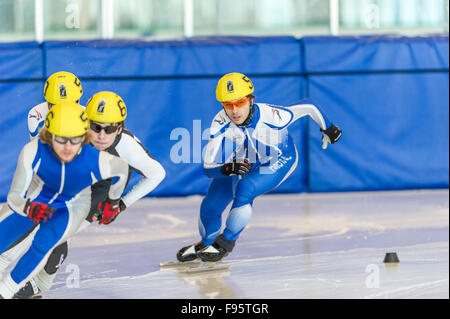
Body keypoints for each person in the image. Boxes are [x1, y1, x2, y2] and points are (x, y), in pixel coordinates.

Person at [12, 91, 166, 298]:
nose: (101, 135)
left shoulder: (127, 147)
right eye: (96, 127)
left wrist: (121, 204)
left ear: (120, 128)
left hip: (102, 191)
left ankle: (40, 282)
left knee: (54, 231)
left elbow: (157, 174)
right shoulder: (76, 126)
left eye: (110, 129)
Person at [177, 72, 342, 263]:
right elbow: (208, 168)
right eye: (228, 105)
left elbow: (308, 106)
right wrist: (228, 169)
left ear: (251, 100)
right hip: (245, 159)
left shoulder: (273, 116)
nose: (235, 111)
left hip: (278, 159)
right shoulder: (220, 121)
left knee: (245, 189)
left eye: (240, 103)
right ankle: (207, 243)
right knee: (210, 205)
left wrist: (329, 128)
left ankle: (226, 242)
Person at [0, 102, 129, 299]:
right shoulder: (32, 150)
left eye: (75, 139)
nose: (68, 147)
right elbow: (14, 197)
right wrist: (26, 207)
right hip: (36, 200)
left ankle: (6, 291)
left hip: (69, 208)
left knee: (43, 244)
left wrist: (113, 202)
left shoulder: (95, 158)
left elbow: (122, 170)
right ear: (48, 136)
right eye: (61, 139)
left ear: (84, 137)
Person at [0, 71, 84, 297]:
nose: (63, 110)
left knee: (56, 235)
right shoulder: (36, 115)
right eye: (55, 105)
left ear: (78, 101)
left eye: (69, 105)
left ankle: (40, 284)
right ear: (47, 102)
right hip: (47, 177)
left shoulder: (88, 119)